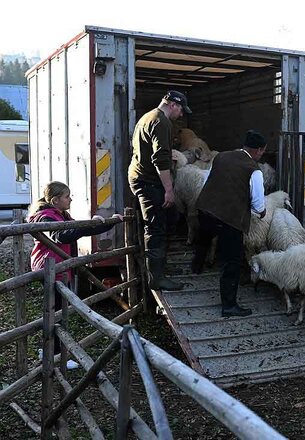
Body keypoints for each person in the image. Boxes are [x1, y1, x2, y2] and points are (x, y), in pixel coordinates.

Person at [28, 181, 123, 368]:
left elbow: (77, 229)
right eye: (67, 196)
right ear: (55, 200)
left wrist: (107, 223)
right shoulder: (45, 217)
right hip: (50, 269)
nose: (70, 199)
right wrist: (88, 225)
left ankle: (50, 350)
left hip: (59, 268)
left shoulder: (59, 214)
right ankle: (54, 355)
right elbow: (61, 235)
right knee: (55, 312)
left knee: (56, 311)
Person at [193, 130, 267, 317]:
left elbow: (209, 179)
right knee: (231, 261)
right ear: (258, 150)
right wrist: (262, 211)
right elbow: (258, 203)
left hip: (205, 208)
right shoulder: (254, 169)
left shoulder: (222, 157)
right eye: (262, 151)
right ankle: (229, 306)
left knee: (204, 238)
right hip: (229, 219)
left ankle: (196, 266)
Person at [128, 90, 192, 291]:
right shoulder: (162, 122)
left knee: (170, 218)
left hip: (143, 176)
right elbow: (160, 158)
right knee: (155, 227)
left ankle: (161, 269)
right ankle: (156, 278)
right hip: (148, 181)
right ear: (173, 104)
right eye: (181, 109)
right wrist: (169, 189)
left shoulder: (146, 117)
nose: (181, 115)